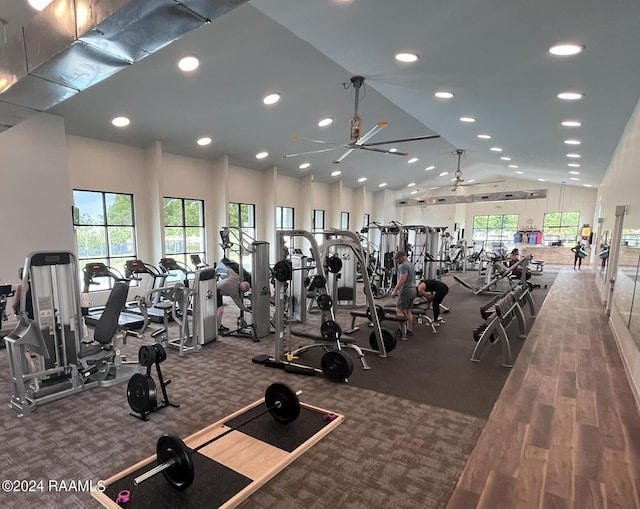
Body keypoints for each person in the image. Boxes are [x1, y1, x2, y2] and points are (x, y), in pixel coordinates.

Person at [390, 251, 416, 336]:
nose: (397, 261)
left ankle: (402, 331)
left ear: (402, 257)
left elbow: (402, 280)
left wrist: (395, 291)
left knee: (399, 310)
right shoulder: (411, 265)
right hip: (413, 289)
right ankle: (409, 330)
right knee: (408, 311)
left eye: (398, 259)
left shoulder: (403, 266)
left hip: (406, 290)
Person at [216, 268, 251, 333]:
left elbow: (229, 270)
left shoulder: (236, 277)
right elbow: (239, 304)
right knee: (219, 310)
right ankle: (217, 328)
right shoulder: (234, 291)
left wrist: (219, 270)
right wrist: (249, 310)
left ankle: (218, 326)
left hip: (218, 287)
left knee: (220, 309)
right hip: (216, 291)